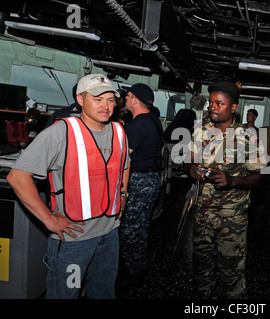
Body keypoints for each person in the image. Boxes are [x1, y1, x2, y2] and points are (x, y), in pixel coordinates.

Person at [7, 73, 130, 299]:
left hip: (109, 233)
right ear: (80, 100)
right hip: (75, 238)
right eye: (98, 99)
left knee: (103, 292)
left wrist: (122, 194)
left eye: (110, 100)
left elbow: (123, 165)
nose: (106, 105)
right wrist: (49, 219)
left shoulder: (119, 132)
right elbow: (17, 176)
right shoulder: (61, 131)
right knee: (65, 294)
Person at [183, 80, 266, 298]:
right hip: (202, 215)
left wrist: (233, 181)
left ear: (233, 107)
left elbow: (260, 177)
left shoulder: (249, 137)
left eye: (219, 104)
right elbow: (187, 159)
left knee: (232, 273)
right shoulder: (202, 132)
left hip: (232, 217)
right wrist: (191, 169)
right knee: (201, 270)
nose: (212, 107)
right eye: (211, 103)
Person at [119, 83, 163, 281]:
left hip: (138, 180)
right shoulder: (153, 120)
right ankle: (137, 265)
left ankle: (132, 272)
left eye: (128, 96)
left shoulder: (138, 125)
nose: (125, 99)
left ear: (135, 99)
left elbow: (122, 157)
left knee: (131, 228)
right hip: (150, 178)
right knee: (140, 224)